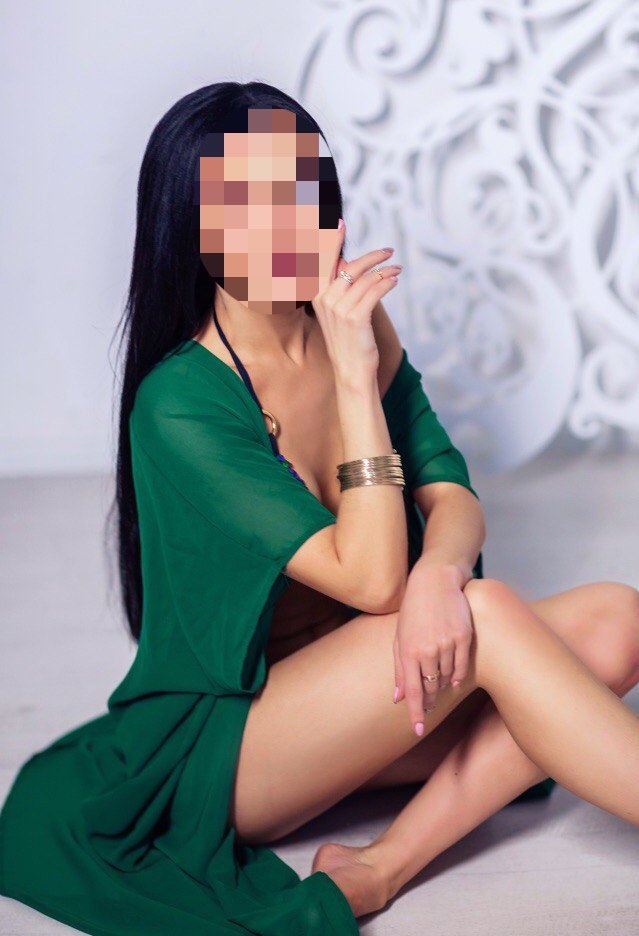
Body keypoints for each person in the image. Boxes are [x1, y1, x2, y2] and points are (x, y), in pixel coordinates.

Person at [1, 80, 639, 935]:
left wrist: (439, 576)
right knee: (486, 616)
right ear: (191, 229)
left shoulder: (348, 323)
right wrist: (352, 376)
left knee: (615, 621)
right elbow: (371, 580)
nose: (284, 227)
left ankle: (380, 866)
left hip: (378, 696)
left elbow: (450, 490)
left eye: (298, 193)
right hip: (236, 748)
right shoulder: (181, 404)